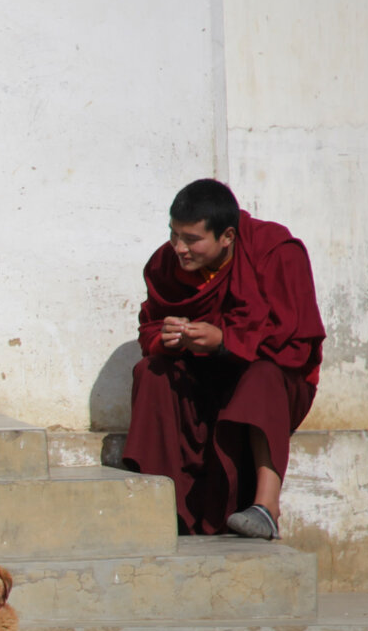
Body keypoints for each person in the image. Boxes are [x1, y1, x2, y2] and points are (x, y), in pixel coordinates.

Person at [122, 179, 324, 539]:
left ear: (227, 237)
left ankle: (265, 507)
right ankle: (166, 511)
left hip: (271, 384)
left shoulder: (275, 252)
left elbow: (294, 342)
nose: (179, 248)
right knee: (151, 371)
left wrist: (224, 342)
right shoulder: (165, 265)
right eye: (174, 235)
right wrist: (166, 339)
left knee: (262, 376)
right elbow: (149, 328)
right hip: (205, 379)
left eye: (192, 239)